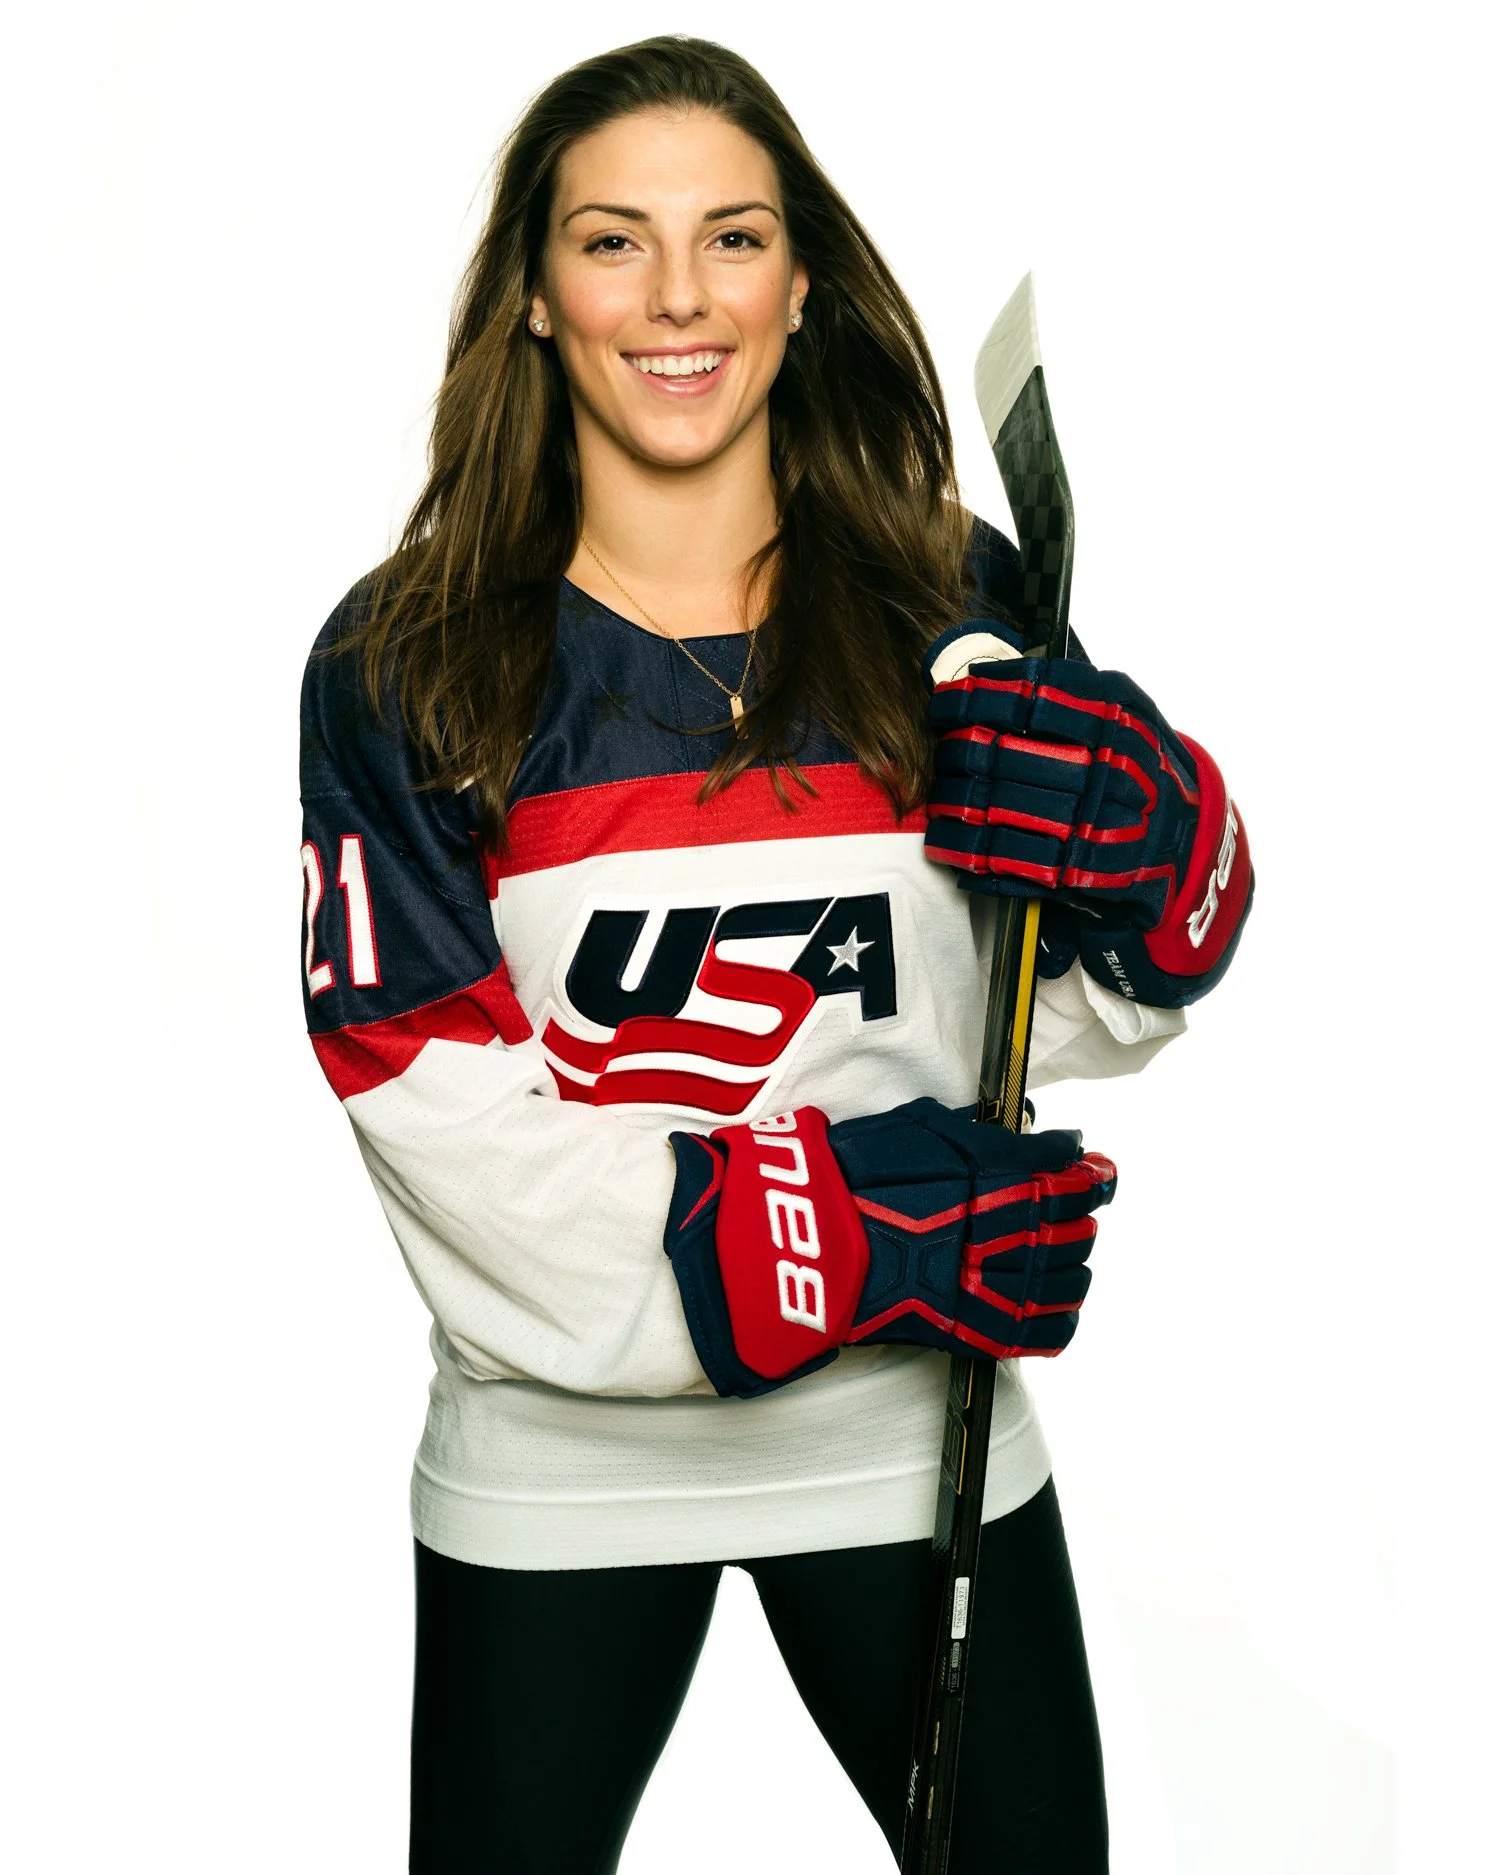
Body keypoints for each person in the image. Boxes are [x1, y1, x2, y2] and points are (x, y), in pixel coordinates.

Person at [298, 35, 1252, 1875]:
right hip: (560, 1475)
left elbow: (1048, 1003)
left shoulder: (946, 598)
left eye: (731, 238)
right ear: (530, 293)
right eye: (613, 242)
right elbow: (431, 1110)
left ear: (802, 283)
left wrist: (1165, 853)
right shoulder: (405, 663)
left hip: (914, 1445)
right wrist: (844, 1236)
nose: (677, 296)